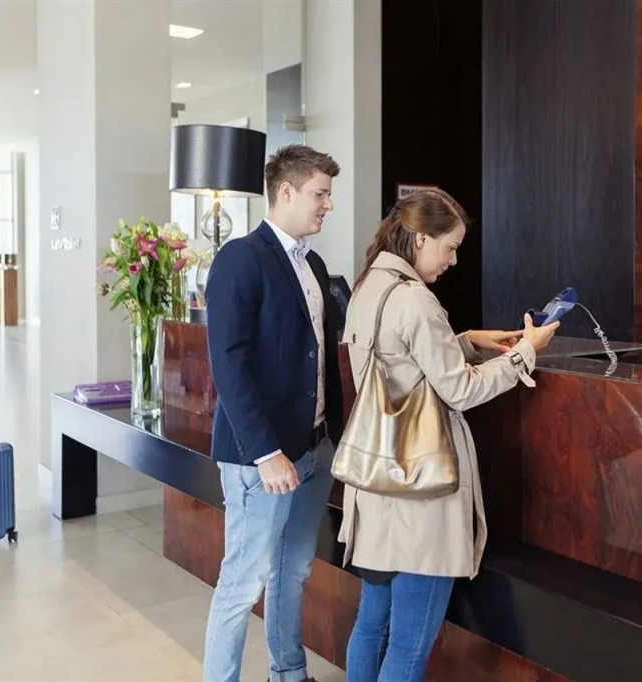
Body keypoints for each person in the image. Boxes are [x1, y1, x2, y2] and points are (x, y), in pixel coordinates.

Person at [339, 189, 560, 682]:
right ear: (420, 238)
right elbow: (459, 390)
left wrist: (467, 341)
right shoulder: (416, 299)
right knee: (409, 647)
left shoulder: (369, 285)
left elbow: (401, 363)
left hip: (377, 490)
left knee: (371, 626)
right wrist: (525, 351)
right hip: (421, 498)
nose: (454, 260)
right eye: (450, 247)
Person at [202, 144, 342, 682]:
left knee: (293, 571)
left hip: (313, 448)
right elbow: (229, 364)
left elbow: (320, 356)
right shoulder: (240, 258)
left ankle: (289, 673)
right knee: (243, 583)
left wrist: (332, 437)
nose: (328, 204)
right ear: (286, 191)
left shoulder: (314, 264)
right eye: (319, 193)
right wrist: (266, 453)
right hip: (261, 457)